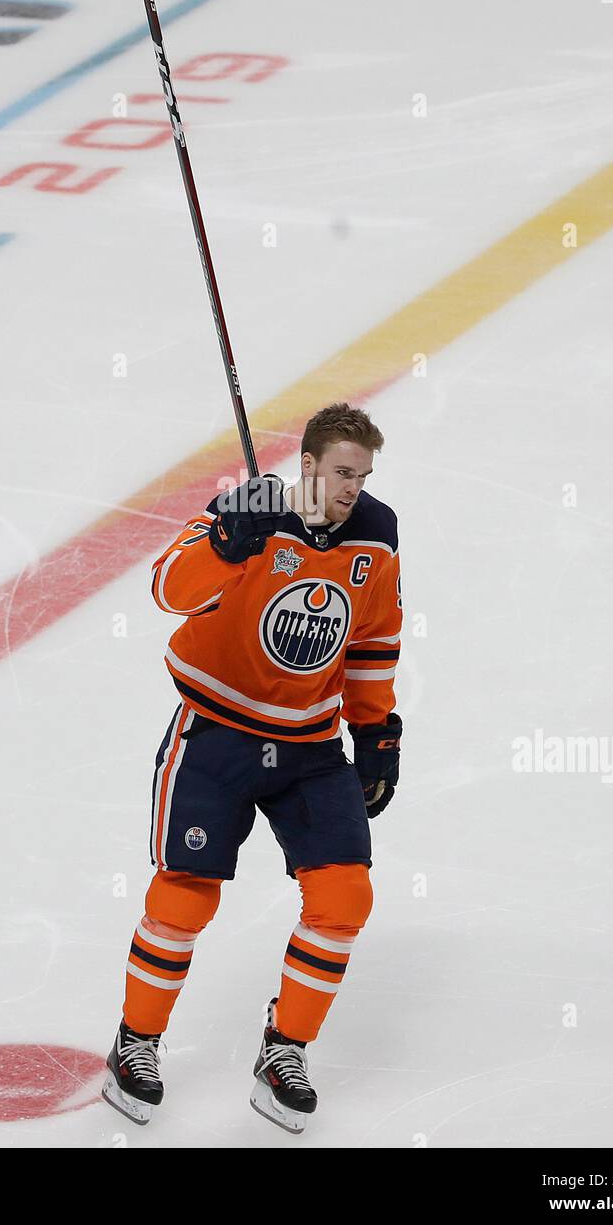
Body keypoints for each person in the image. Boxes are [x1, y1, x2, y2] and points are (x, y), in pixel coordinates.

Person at [103, 402, 403, 1133]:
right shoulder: (247, 511)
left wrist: (376, 734)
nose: (350, 489)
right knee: (184, 896)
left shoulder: (376, 533)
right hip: (216, 738)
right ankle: (134, 1044)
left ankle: (284, 1051)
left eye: (361, 476)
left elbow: (372, 638)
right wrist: (228, 545)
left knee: (344, 901)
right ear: (306, 465)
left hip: (308, 748)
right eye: (339, 473)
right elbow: (168, 590)